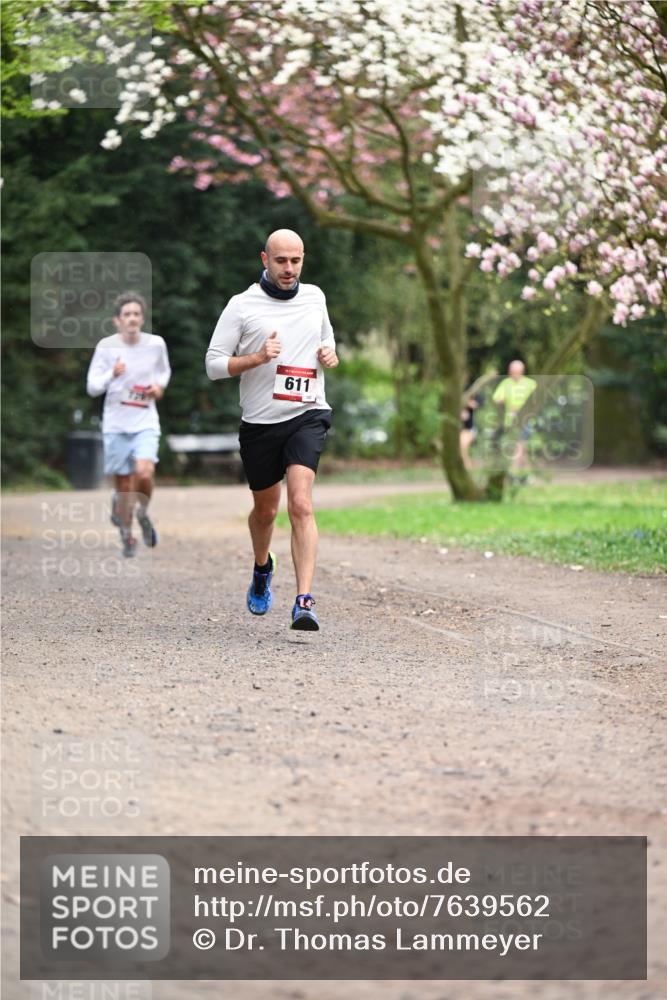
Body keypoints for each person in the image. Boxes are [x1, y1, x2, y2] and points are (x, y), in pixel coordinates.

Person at [205, 229, 338, 631]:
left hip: (308, 413)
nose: (289, 269)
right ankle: (262, 567)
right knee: (266, 511)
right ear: (265, 259)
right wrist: (258, 357)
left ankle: (304, 600)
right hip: (261, 423)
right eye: (281, 261)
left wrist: (330, 353)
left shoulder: (315, 297)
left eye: (296, 261)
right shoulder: (242, 306)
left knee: (301, 504)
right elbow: (213, 364)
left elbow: (327, 339)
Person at [86, 292, 171, 558]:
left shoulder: (156, 344)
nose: (132, 318)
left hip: (145, 421)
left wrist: (159, 388)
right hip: (115, 425)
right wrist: (113, 373)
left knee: (144, 473)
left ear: (142, 318)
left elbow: (163, 372)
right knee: (123, 486)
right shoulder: (106, 347)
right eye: (127, 314)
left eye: (136, 314)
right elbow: (91, 387)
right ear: (117, 320)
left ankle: (143, 513)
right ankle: (127, 534)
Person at [492, 359, 537, 472]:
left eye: (517, 372)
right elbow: (496, 398)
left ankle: (513, 472)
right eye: (512, 372)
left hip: (526, 420)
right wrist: (502, 400)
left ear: (522, 371)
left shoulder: (531, 384)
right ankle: (528, 473)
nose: (514, 374)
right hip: (510, 420)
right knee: (522, 446)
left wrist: (522, 409)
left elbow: (537, 401)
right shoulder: (506, 383)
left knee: (518, 444)